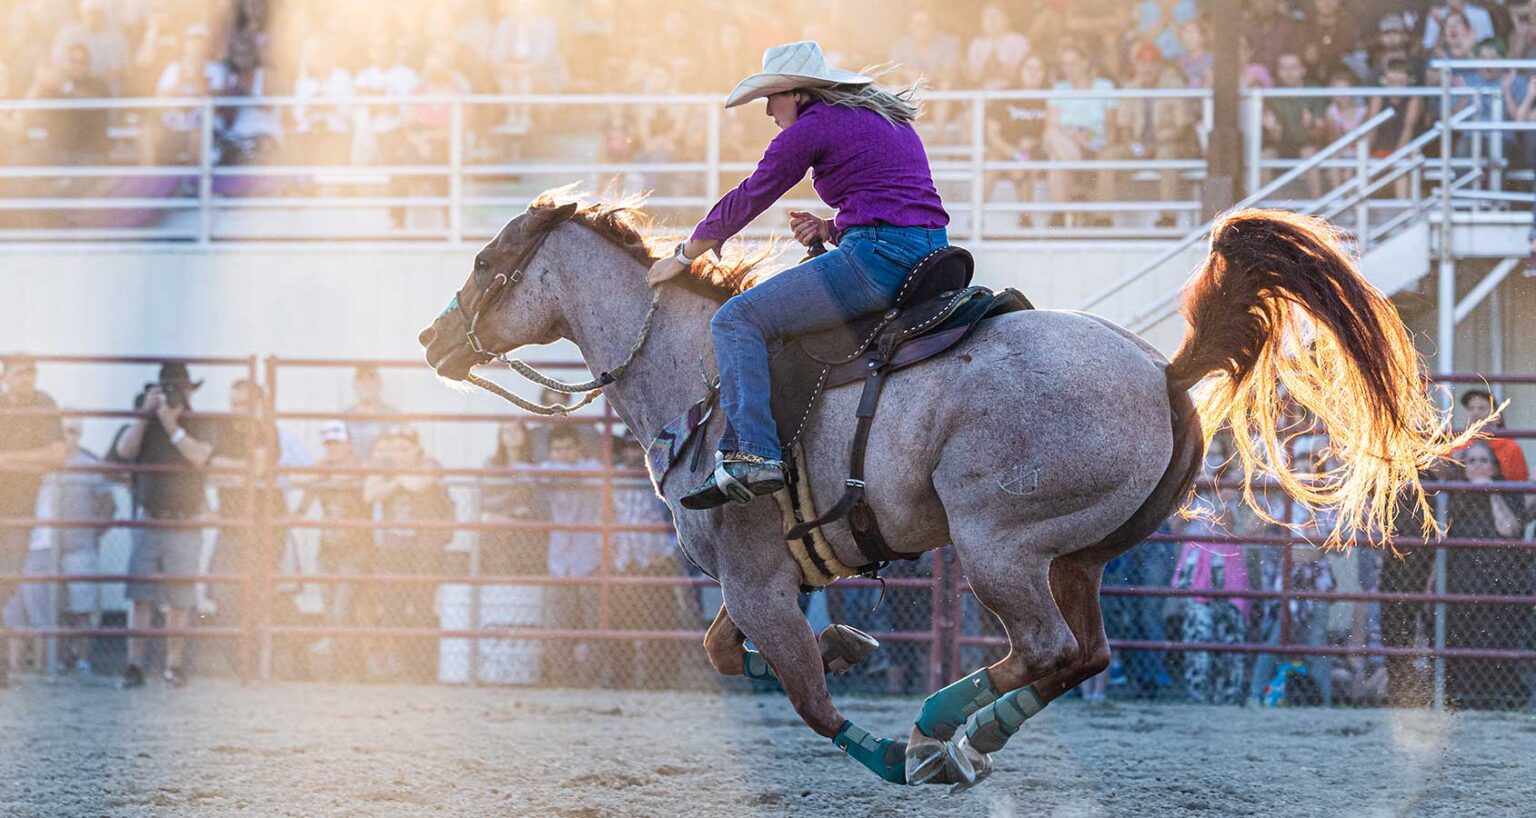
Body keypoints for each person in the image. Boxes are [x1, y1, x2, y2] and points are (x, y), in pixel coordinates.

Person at [645, 41, 950, 509]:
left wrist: (685, 255)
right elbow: (897, 202)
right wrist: (831, 228)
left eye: (772, 98)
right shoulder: (882, 118)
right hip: (929, 252)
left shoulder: (811, 128)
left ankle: (754, 452)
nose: (768, 111)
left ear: (798, 93)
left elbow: (752, 194)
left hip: (876, 259)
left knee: (736, 321)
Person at [107, 362, 217, 689]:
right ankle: (134, 665)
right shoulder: (145, 418)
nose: (174, 396)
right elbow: (124, 451)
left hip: (186, 519)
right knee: (140, 595)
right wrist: (146, 416)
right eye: (167, 389)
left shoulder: (200, 422)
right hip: (149, 516)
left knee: (180, 599)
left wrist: (172, 427)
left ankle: (174, 666)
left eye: (178, 389)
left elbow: (199, 456)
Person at [17, 418, 115, 676]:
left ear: (80, 434)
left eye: (73, 431)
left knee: (82, 607)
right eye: (63, 431)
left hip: (79, 547)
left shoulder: (90, 464)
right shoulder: (44, 465)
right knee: (50, 607)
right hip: (46, 546)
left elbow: (109, 505)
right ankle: (53, 662)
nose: (68, 437)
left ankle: (83, 661)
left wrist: (93, 534)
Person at [1443, 439, 1533, 709]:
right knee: (1461, 643)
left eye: (1484, 461)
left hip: (1499, 585)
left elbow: (1509, 529)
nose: (1478, 466)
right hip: (1462, 584)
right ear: (1464, 468)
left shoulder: (1506, 492)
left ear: (1494, 468)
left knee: (1493, 642)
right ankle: (1464, 702)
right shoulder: (1452, 495)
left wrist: (1491, 493)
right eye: (1472, 461)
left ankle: (1496, 701)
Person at [362, 425, 453, 682]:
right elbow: (370, 494)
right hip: (395, 550)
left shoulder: (431, 464)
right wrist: (400, 480)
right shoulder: (386, 468)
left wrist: (397, 481)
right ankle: (401, 667)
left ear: (417, 449)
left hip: (423, 551)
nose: (399, 454)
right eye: (396, 448)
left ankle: (422, 670)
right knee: (393, 610)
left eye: (405, 448)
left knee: (423, 608)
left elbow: (420, 484)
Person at [0, 357, 66, 688]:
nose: (27, 381)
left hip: (19, 509)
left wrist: (7, 460)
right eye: (20, 374)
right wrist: (29, 460)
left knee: (7, 580)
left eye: (31, 374)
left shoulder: (44, 404)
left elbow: (57, 455)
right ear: (6, 376)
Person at [297, 420, 372, 680]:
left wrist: (325, 477)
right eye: (329, 444)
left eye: (337, 444)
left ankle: (350, 669)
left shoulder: (361, 469)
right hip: (328, 549)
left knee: (342, 611)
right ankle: (342, 670)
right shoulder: (322, 472)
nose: (332, 449)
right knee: (332, 613)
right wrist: (317, 478)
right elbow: (304, 504)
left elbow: (363, 489)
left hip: (354, 549)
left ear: (349, 445)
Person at [538, 423, 606, 685]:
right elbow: (535, 473)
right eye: (557, 449)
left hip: (589, 555)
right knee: (557, 622)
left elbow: (591, 475)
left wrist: (565, 475)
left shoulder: (592, 468)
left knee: (593, 622)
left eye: (568, 448)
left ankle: (591, 679)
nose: (563, 454)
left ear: (578, 448)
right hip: (559, 557)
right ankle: (561, 679)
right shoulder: (549, 469)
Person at [344, 364, 398, 464]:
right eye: (361, 380)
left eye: (371, 379)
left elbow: (398, 449)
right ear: (354, 384)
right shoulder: (345, 415)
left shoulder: (391, 414)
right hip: (351, 471)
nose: (366, 384)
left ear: (379, 384)